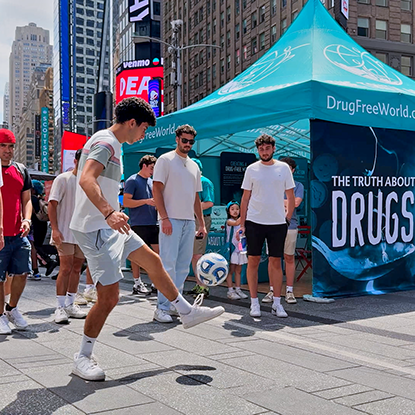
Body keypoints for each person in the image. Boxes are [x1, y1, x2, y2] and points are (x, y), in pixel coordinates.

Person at [69, 98, 224, 381]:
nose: (142, 135)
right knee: (109, 298)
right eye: (143, 129)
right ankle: (82, 356)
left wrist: (112, 214)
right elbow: (86, 179)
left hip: (111, 226)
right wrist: (109, 213)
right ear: (132, 123)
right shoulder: (106, 143)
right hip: (97, 228)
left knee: (153, 262)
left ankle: (186, 311)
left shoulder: (112, 144)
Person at [152, 124, 209, 323]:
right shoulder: (165, 160)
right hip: (171, 219)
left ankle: (176, 304)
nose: (187, 144)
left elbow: (196, 197)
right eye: (184, 140)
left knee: (183, 267)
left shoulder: (194, 166)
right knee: (168, 265)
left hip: (188, 221)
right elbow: (156, 189)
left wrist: (201, 223)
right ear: (177, 139)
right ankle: (161, 307)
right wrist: (164, 217)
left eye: (191, 142)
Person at [240, 134, 295, 318]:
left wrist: (287, 218)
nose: (264, 152)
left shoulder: (284, 168)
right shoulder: (251, 169)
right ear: (258, 150)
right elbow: (245, 198)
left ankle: (277, 303)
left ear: (273, 148)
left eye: (267, 148)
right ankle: (254, 302)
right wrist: (242, 223)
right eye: (261, 149)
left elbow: (290, 195)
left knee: (276, 262)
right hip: (254, 221)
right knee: (253, 261)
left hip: (277, 222)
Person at [48, 149, 88, 324]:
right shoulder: (63, 179)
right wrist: (55, 229)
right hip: (64, 231)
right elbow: (52, 204)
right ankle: (60, 307)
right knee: (65, 268)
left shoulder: (90, 182)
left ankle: (71, 304)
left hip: (82, 232)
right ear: (76, 161)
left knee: (77, 268)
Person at [0, 129, 32, 335]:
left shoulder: (21, 170)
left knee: (22, 272)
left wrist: (27, 219)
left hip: (18, 233)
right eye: (3, 146)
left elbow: (26, 199)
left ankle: (11, 308)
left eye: (11, 146)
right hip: (0, 234)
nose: (8, 150)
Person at [262, 157, 304, 304]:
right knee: (273, 259)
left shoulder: (298, 185)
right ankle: (272, 290)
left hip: (290, 225)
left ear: (293, 170)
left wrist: (280, 201)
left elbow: (296, 203)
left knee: (289, 257)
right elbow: (266, 201)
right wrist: (287, 202)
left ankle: (289, 291)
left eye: (288, 168)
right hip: (271, 224)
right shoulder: (271, 184)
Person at [123, 155, 159, 296]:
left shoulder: (151, 181)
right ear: (144, 166)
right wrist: (145, 201)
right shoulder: (132, 180)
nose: (153, 171)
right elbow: (126, 202)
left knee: (158, 254)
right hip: (139, 223)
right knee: (137, 255)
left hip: (153, 223)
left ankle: (156, 282)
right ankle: (137, 283)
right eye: (151, 168)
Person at [189, 158, 215, 297]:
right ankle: (199, 284)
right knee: (193, 255)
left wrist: (189, 209)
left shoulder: (205, 182)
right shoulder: (190, 182)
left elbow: (209, 202)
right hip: (191, 220)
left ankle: (203, 286)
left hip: (201, 220)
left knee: (198, 255)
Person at [225, 201, 248, 300]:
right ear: (228, 211)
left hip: (240, 248)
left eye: (237, 209)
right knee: (231, 270)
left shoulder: (242, 223)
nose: (235, 211)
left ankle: (238, 289)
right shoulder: (229, 221)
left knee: (239, 270)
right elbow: (236, 223)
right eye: (232, 209)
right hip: (232, 249)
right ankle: (230, 290)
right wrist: (245, 213)